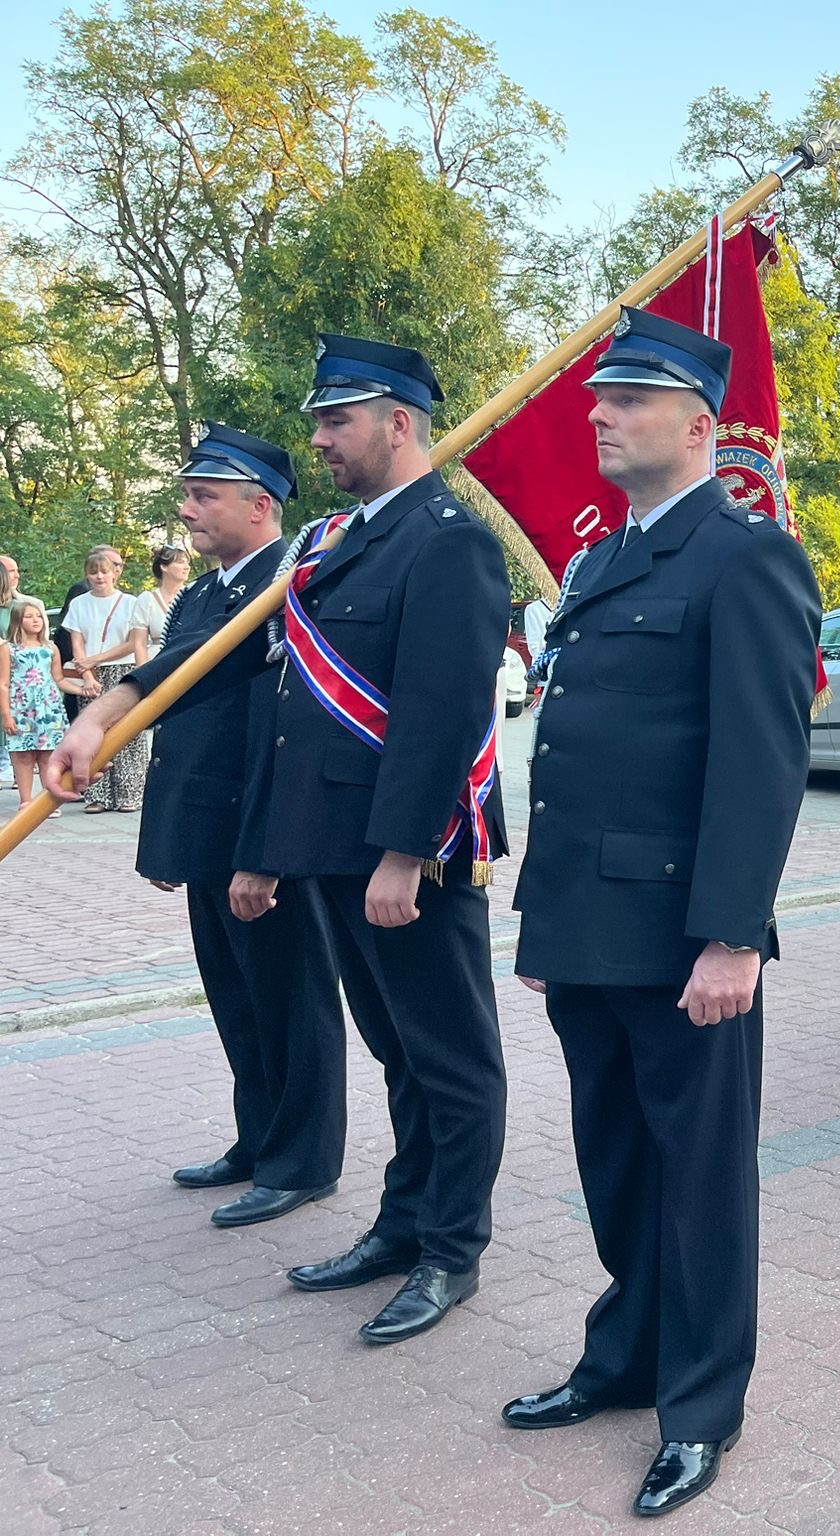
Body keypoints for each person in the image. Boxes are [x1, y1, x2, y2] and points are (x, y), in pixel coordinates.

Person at [503, 308, 821, 1518]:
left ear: (696, 427)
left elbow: (758, 762)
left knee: (699, 1178)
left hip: (686, 935)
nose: (599, 414)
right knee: (617, 1160)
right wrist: (546, 921)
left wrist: (733, 934)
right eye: (601, 397)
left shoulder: (746, 560)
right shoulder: (598, 564)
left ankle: (699, 1407)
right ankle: (624, 1357)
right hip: (589, 926)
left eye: (627, 399)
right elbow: (577, 753)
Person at [217, 334, 511, 1342]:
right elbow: (287, 704)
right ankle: (402, 1223)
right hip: (337, 843)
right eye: (318, 422)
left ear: (399, 422)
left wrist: (404, 852)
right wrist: (268, 845)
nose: (320, 440)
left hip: (406, 855)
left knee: (450, 1059)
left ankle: (451, 1251)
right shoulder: (341, 540)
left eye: (336, 420)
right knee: (397, 1052)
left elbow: (444, 710)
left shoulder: (448, 541)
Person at [43, 425, 349, 1225]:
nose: (187, 511)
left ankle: (304, 1160)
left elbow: (285, 734)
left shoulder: (291, 587)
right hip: (209, 832)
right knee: (238, 999)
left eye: (203, 496)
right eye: (187, 495)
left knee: (291, 1001)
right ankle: (260, 1140)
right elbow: (183, 720)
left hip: (265, 837)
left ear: (260, 506)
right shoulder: (207, 594)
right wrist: (169, 840)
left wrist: (266, 854)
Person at [60, 548, 149, 812]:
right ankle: (98, 794)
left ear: (114, 574)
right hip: (91, 673)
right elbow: (77, 643)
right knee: (92, 731)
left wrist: (95, 659)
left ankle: (130, 793)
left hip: (122, 668)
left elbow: (133, 643)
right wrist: (87, 675)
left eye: (104, 572)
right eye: (93, 572)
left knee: (128, 731)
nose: (99, 577)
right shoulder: (79, 604)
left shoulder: (130, 602)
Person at [5, 598, 78, 806]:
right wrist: (7, 715)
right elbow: (3, 683)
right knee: (23, 756)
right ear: (18, 621)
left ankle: (48, 802)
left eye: (38, 616)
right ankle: (26, 801)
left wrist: (81, 690)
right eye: (29, 617)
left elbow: (59, 679)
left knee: (49, 755)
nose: (36, 620)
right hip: (22, 707)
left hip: (48, 707)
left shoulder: (50, 648)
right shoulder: (9, 649)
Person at [132, 545, 191, 659]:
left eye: (187, 563)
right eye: (180, 562)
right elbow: (140, 643)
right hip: (157, 661)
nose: (187, 567)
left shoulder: (194, 595)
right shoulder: (147, 599)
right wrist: (143, 669)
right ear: (164, 567)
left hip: (189, 660)